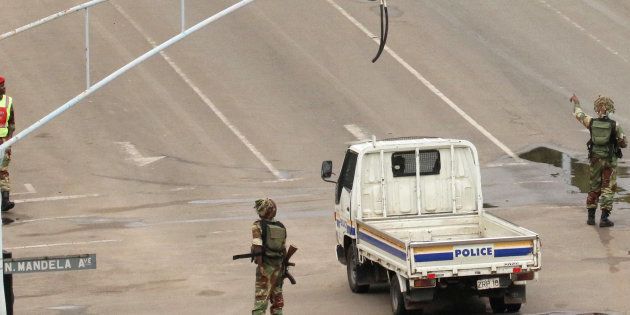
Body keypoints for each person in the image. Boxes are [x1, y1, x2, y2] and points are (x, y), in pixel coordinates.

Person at [570, 94, 626, 227]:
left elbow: (579, 114)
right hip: (609, 161)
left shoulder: (591, 122)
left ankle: (590, 217)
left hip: (595, 159)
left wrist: (577, 103)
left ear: (597, 108)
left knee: (594, 186)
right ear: (610, 109)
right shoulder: (615, 125)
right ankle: (604, 218)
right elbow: (623, 143)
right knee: (608, 187)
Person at [251, 198, 286, 315]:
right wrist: (283, 268)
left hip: (265, 266)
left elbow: (257, 247)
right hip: (278, 267)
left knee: (261, 302)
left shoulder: (258, 225)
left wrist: (261, 266)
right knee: (277, 302)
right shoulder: (281, 226)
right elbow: (283, 249)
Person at [0, 76, 15, 212]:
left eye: (4, 86)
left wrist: (9, 141)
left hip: (4, 141)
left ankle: (5, 201)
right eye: (1, 87)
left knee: (3, 170)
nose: (3, 89)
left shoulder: (8, 101)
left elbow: (11, 123)